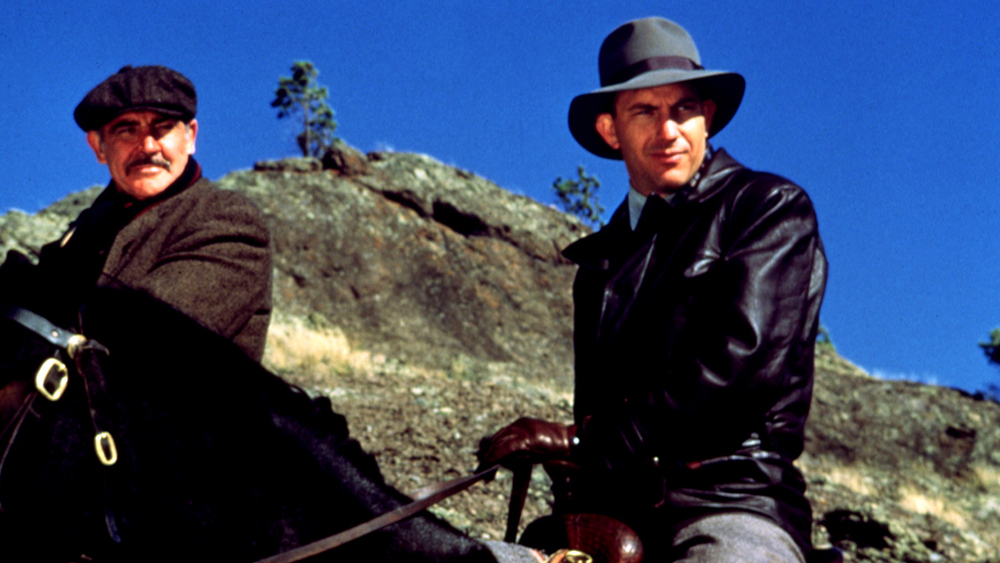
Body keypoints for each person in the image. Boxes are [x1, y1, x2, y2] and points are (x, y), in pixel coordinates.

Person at [479, 17, 827, 562]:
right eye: (644, 111)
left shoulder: (766, 208)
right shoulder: (599, 263)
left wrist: (582, 441)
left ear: (707, 117)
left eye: (683, 109)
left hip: (729, 502)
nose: (668, 131)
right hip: (613, 516)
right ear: (610, 130)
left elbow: (739, 367)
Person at [10, 65, 272, 361]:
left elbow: (149, 338)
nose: (148, 146)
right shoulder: (87, 230)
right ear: (98, 147)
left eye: (163, 127)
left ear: (190, 137)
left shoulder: (227, 219)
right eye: (128, 130)